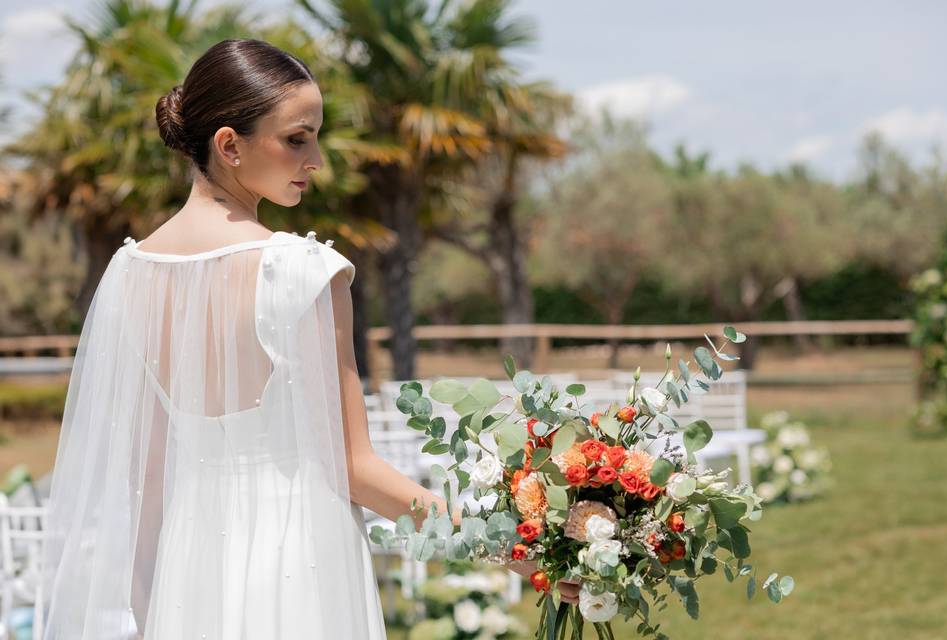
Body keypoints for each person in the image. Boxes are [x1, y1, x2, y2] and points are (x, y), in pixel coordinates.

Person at [40, 38, 576, 639]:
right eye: (297, 138)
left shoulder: (130, 274)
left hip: (187, 575)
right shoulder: (301, 271)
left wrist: (150, 611)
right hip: (297, 562)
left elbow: (148, 481)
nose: (316, 158)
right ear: (228, 145)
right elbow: (354, 466)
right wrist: (513, 545)